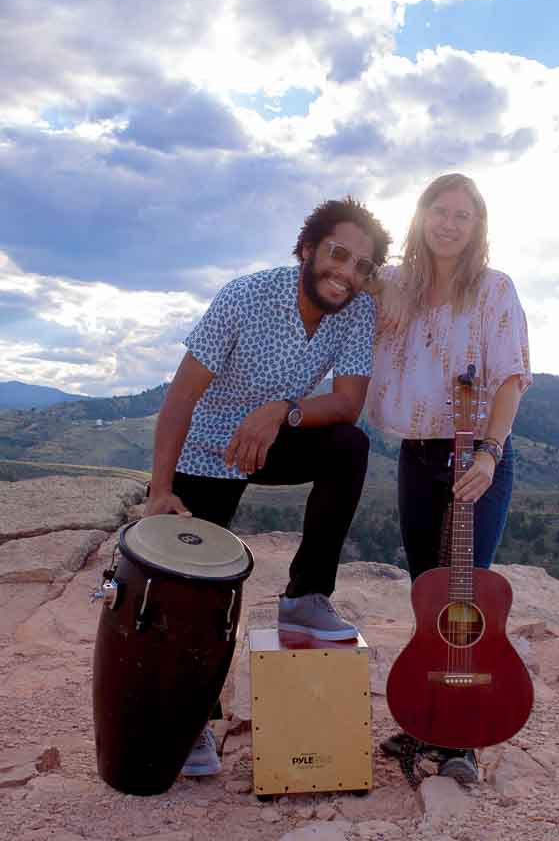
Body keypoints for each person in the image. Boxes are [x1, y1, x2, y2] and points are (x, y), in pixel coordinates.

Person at [145, 196, 391, 775]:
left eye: (362, 265)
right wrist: (159, 490)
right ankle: (194, 722)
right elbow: (181, 397)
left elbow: (348, 404)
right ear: (307, 249)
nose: (347, 273)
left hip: (274, 436)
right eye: (338, 254)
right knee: (198, 592)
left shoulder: (356, 310)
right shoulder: (244, 296)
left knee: (349, 448)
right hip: (209, 449)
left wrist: (282, 411)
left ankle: (305, 598)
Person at [366, 173, 531, 785]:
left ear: (478, 226)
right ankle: (424, 720)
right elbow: (343, 276)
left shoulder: (494, 289)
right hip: (418, 456)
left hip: (478, 455)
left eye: (464, 214)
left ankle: (461, 741)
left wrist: (489, 454)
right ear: (421, 215)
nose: (450, 223)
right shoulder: (397, 287)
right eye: (440, 210)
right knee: (426, 592)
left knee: (467, 598)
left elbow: (511, 377)